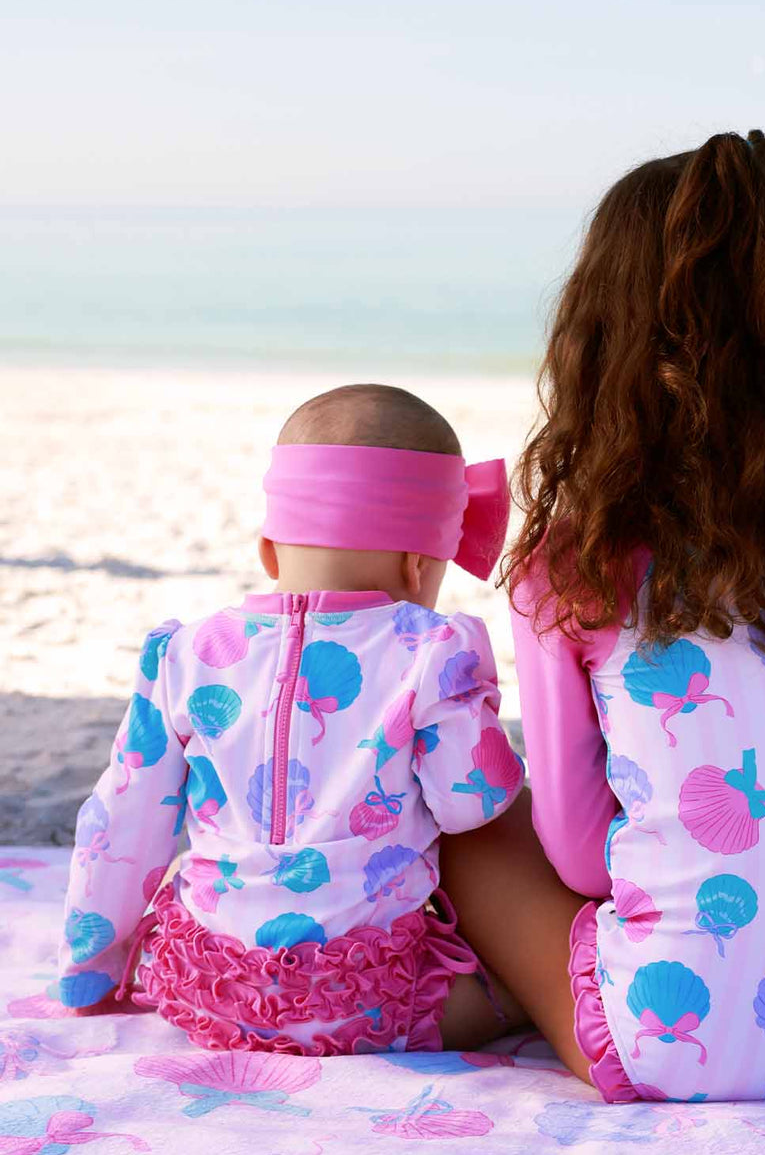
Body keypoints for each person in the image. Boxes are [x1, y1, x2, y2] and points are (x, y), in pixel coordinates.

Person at [440, 130, 765, 1102]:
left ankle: (509, 997)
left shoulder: (573, 562)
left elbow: (581, 858)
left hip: (675, 1047)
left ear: (598, 338)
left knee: (473, 832)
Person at [56, 383, 525, 1054]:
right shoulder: (431, 650)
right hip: (363, 1001)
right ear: (419, 564)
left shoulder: (186, 652)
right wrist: (474, 701)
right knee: (516, 993)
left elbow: (120, 826)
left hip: (206, 991)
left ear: (269, 551)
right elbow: (471, 804)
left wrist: (88, 970)